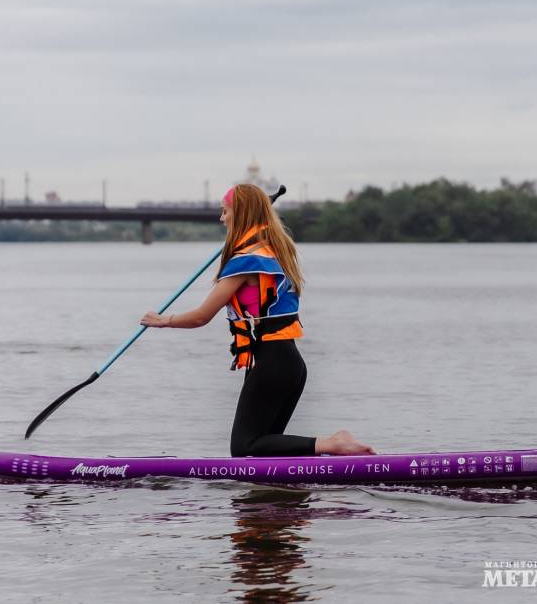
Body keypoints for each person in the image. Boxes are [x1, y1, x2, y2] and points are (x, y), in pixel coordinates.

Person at [140, 184, 374, 457]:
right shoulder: (275, 252)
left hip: (271, 364)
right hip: (289, 364)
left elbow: (202, 317)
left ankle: (334, 444)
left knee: (244, 448)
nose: (221, 218)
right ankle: (283, 499)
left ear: (240, 214)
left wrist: (162, 321)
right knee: (263, 452)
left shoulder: (245, 262)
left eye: (224, 211)